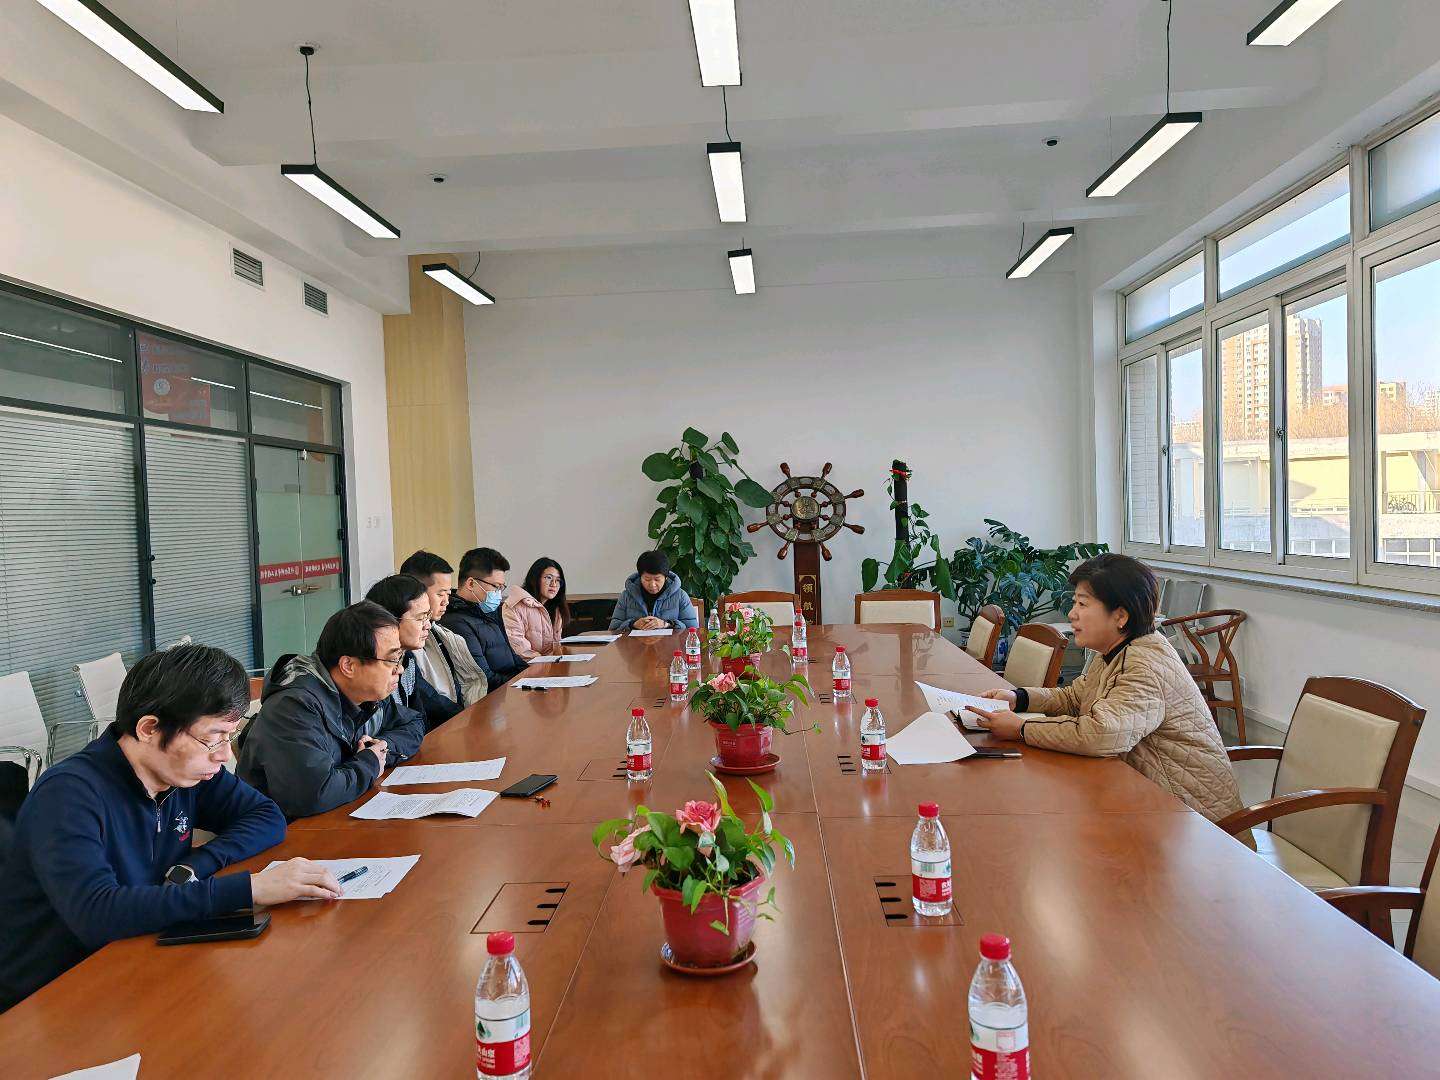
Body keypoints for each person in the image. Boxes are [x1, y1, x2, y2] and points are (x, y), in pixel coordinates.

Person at [0, 645, 341, 1013]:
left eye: (230, 735)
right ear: (149, 728)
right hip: (52, 995)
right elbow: (97, 914)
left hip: (140, 952)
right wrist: (248, 889)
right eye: (213, 737)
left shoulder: (184, 773)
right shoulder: (69, 795)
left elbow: (266, 816)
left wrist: (196, 865)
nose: (224, 754)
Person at [969, 553, 1245, 825]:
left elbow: (1101, 734)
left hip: (1195, 822)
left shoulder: (1144, 664)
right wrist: (1018, 698)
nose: (1072, 614)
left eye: (1082, 604)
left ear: (1120, 616)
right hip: (1150, 803)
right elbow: (1075, 697)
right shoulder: (1117, 651)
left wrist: (1021, 729)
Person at [237, 602, 425, 819]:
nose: (399, 669)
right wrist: (369, 763)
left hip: (335, 816)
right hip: (285, 830)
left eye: (399, 658)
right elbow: (313, 795)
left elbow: (414, 723)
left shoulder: (366, 695)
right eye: (391, 659)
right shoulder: (294, 707)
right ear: (349, 666)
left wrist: (380, 748)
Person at [366, 574, 463, 732]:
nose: (428, 625)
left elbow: (421, 715)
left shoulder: (407, 658)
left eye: (428, 616)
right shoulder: (372, 668)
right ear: (389, 621)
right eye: (420, 618)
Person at [399, 550, 488, 708]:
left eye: (448, 593)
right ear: (417, 593)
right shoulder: (407, 640)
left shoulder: (440, 632)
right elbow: (428, 698)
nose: (446, 601)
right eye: (440, 594)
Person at [441, 547, 526, 687]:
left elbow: (513, 658)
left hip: (512, 686)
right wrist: (522, 681)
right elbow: (485, 678)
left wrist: (531, 675)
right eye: (496, 586)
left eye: (501, 588)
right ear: (471, 584)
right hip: (496, 694)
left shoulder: (489, 612)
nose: (499, 594)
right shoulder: (456, 622)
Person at [609, 550, 698, 632]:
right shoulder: (626, 596)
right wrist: (633, 624)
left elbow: (693, 628)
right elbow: (613, 628)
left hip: (669, 644)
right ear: (640, 576)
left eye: (657, 579)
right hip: (635, 644)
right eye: (647, 579)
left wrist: (666, 624)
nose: (652, 584)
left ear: (666, 577)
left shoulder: (680, 596)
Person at [503, 557, 570, 660]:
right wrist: (548, 661)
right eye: (548, 578)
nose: (554, 584)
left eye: (558, 580)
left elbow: (556, 647)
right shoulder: (513, 607)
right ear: (535, 578)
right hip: (526, 666)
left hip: (548, 664)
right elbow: (521, 651)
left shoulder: (556, 608)